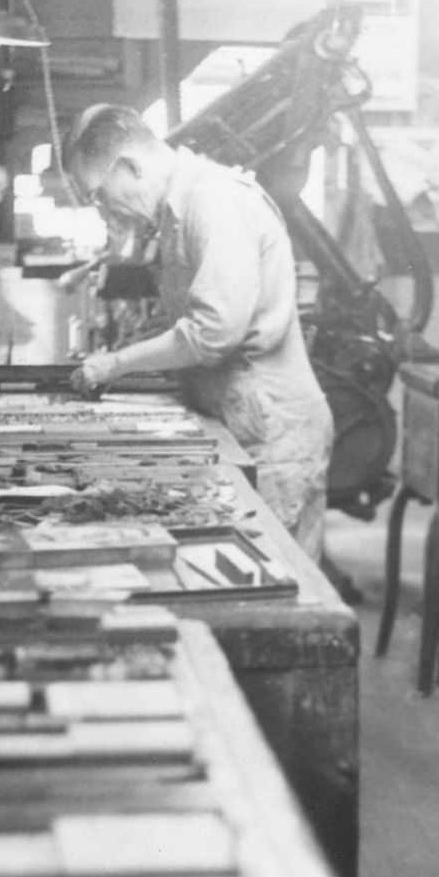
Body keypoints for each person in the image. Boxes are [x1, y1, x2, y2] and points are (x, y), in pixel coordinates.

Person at [63, 104, 336, 560]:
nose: (106, 211)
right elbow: (183, 317)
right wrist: (126, 350)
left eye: (100, 195)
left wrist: (116, 364)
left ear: (129, 166)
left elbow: (213, 332)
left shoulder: (213, 199)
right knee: (243, 569)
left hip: (272, 431)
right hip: (241, 417)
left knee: (272, 581)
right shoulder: (177, 210)